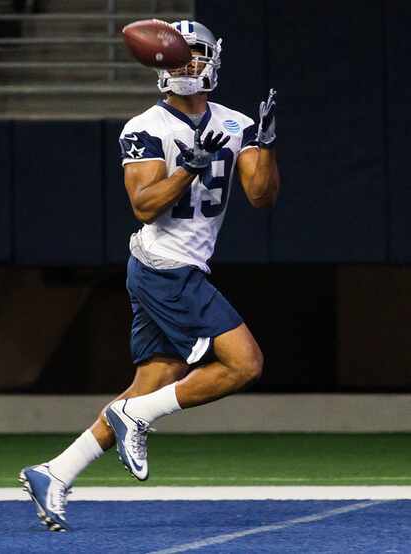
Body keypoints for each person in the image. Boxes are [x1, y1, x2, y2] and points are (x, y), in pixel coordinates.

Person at [19, 20, 280, 531]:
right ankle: (137, 417)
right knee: (245, 363)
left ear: (214, 61)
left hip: (178, 267)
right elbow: (143, 205)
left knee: (152, 382)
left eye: (195, 55)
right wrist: (190, 167)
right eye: (178, 55)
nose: (186, 63)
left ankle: (55, 471)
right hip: (165, 268)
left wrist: (266, 144)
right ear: (159, 63)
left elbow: (261, 196)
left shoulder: (237, 123)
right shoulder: (144, 127)